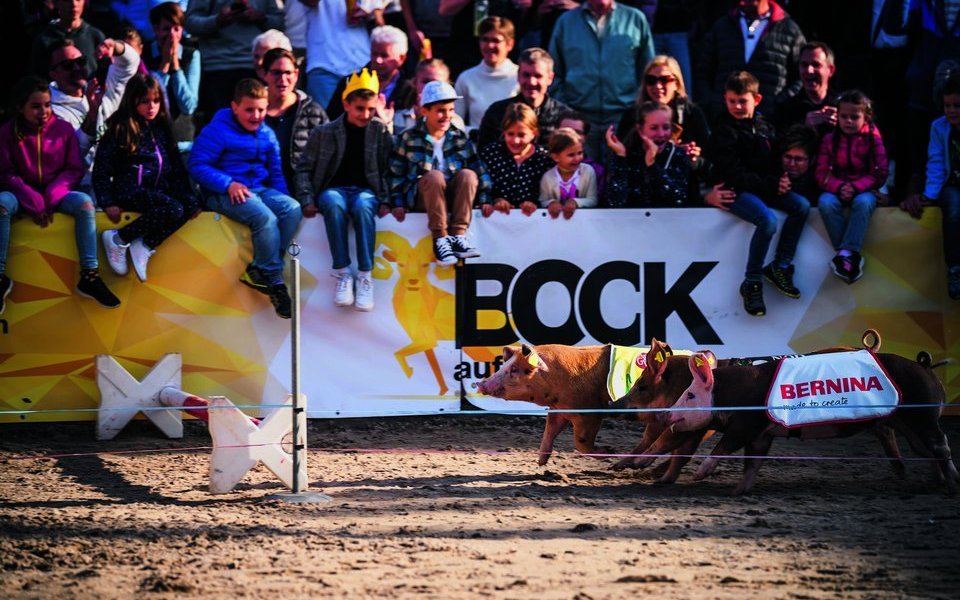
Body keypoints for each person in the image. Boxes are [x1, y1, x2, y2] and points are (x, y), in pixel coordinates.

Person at [0, 76, 120, 311]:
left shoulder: (63, 129)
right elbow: (5, 173)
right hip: (21, 195)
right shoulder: (6, 133)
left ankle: (90, 275)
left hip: (57, 195)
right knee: (1, 205)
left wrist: (51, 197)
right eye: (35, 106)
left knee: (85, 203)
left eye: (47, 105)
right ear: (20, 107)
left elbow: (74, 169)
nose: (43, 111)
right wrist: (33, 198)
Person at [188, 78, 301, 318]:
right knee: (265, 217)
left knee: (291, 209)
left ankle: (262, 269)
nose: (257, 115)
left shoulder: (268, 134)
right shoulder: (216, 130)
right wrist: (227, 183)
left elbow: (277, 174)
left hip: (257, 189)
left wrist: (283, 198)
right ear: (234, 107)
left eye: (261, 109)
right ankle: (274, 281)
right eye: (249, 109)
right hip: (220, 193)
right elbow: (197, 165)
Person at [706, 71, 810, 317]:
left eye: (743, 101)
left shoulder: (765, 126)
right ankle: (752, 282)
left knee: (802, 206)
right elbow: (733, 174)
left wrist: (782, 179)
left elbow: (774, 160)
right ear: (725, 99)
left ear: (757, 99)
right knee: (768, 220)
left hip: (764, 187)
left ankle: (781, 266)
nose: (737, 106)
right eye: (732, 101)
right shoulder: (723, 130)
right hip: (736, 192)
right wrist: (774, 184)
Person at [295, 68, 393, 311]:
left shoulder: (380, 131)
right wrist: (307, 198)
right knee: (334, 202)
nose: (366, 114)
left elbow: (392, 169)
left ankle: (364, 275)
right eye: (360, 108)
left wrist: (389, 200)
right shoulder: (323, 133)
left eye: (371, 109)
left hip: (366, 191)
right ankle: (342, 272)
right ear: (346, 104)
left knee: (361, 206)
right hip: (334, 189)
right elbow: (304, 168)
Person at [94, 73, 199, 283]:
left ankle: (145, 244)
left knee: (188, 204)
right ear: (133, 101)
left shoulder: (162, 129)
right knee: (174, 208)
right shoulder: (120, 128)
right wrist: (107, 201)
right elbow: (102, 168)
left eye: (156, 101)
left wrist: (188, 195)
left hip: (158, 192)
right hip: (130, 191)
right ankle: (119, 238)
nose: (152, 106)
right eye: (145, 102)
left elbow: (176, 167)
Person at [388, 80, 491, 265]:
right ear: (425, 111)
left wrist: (484, 200)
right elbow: (395, 173)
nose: (447, 116)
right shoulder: (408, 137)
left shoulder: (459, 138)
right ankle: (440, 239)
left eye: (451, 110)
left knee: (468, 175)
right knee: (435, 176)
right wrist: (397, 202)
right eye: (441, 111)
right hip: (423, 197)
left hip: (452, 198)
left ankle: (459, 236)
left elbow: (478, 170)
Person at [548, 0, 655, 159]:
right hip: (579, 118)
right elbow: (554, 71)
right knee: (582, 180)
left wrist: (635, 108)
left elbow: (647, 71)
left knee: (619, 178)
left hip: (623, 118)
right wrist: (567, 109)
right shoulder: (566, 22)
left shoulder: (635, 19)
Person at [815, 90, 889, 285]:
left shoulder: (874, 138)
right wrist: (840, 187)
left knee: (864, 203)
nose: (848, 121)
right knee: (825, 203)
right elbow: (821, 173)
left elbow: (880, 172)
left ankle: (845, 253)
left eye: (854, 117)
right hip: (836, 190)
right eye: (844, 116)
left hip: (863, 191)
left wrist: (856, 187)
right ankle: (847, 255)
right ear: (837, 116)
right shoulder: (829, 139)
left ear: (866, 117)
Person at [695, 0, 805, 122]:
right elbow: (702, 70)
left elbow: (800, 76)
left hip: (771, 123)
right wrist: (712, 102)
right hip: (722, 123)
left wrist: (780, 103)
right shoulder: (722, 26)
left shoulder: (789, 29)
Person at [904, 75, 960, 300]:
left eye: (957, 105)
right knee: (954, 205)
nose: (951, 110)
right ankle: (955, 269)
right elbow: (936, 161)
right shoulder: (939, 127)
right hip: (951, 186)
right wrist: (930, 194)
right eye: (947, 106)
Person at [185, 0, 285, 122]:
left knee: (258, 124)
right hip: (217, 67)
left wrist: (259, 17)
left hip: (257, 68)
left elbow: (280, 22)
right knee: (220, 127)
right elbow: (190, 23)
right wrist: (218, 20)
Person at [48, 38, 141, 166]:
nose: (76, 68)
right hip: (83, 183)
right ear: (53, 74)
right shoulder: (50, 110)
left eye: (80, 61)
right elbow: (73, 155)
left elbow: (131, 63)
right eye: (67, 65)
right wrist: (92, 113)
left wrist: (114, 45)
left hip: (115, 179)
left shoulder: (99, 88)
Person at [615, 55, 710, 167]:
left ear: (676, 84)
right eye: (651, 80)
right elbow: (621, 159)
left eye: (665, 80)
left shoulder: (692, 114)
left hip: (684, 182)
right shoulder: (632, 115)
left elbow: (709, 163)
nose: (658, 86)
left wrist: (693, 160)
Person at [262, 48, 329, 192]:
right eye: (276, 72)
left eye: (288, 73)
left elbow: (328, 159)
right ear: (264, 74)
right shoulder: (250, 112)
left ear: (297, 74)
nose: (283, 79)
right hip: (259, 190)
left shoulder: (314, 113)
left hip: (303, 194)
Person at [605, 102, 696, 207]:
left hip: (669, 220)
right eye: (654, 128)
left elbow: (678, 200)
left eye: (666, 127)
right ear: (640, 130)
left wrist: (652, 166)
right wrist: (620, 157)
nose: (661, 134)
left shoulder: (677, 155)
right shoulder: (627, 154)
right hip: (632, 220)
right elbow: (615, 202)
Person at [477, 48, 570, 149]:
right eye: (526, 75)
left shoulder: (564, 117)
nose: (531, 82)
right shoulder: (497, 113)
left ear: (550, 78)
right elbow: (483, 154)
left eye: (538, 76)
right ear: (518, 75)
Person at [325, 25, 416, 123]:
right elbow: (331, 120)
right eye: (374, 53)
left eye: (384, 55)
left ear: (401, 58)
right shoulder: (349, 83)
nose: (378, 60)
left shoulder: (410, 90)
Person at [479, 103, 555, 217]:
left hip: (533, 222)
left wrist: (534, 203)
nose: (516, 141)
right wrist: (495, 201)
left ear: (533, 133)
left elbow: (549, 194)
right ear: (504, 132)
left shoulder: (544, 158)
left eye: (522, 135)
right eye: (510, 134)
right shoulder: (491, 153)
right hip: (497, 221)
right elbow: (483, 185)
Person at [145, 1, 201, 146]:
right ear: (156, 29)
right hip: (150, 137)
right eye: (166, 29)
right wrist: (164, 64)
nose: (172, 35)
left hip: (182, 139)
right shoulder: (145, 54)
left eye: (176, 29)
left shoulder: (191, 55)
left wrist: (175, 66)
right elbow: (147, 95)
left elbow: (189, 106)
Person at [300, 0, 375, 109]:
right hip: (324, 65)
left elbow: (380, 14)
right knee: (323, 122)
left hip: (360, 63)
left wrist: (371, 10)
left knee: (361, 120)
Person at [454, 16, 519, 133]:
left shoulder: (520, 77)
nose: (489, 46)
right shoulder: (466, 78)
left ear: (510, 44)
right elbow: (455, 122)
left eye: (496, 40)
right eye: (485, 39)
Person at [773, 41, 839, 137]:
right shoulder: (786, 110)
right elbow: (780, 147)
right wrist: (804, 128)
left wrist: (842, 125)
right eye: (804, 65)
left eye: (816, 65)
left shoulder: (842, 107)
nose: (809, 70)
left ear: (831, 70)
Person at [31, 0, 106, 78]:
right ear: (56, 3)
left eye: (78, 0)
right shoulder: (44, 40)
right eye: (67, 0)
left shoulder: (96, 36)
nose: (74, 4)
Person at [393, 58, 466, 134]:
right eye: (426, 81)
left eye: (436, 83)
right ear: (415, 82)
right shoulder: (399, 117)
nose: (429, 87)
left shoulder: (455, 121)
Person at [538, 127, 598, 218]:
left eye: (580, 153)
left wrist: (575, 202)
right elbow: (542, 201)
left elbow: (593, 200)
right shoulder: (547, 177)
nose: (577, 158)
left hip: (583, 223)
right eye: (571, 155)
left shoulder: (588, 171)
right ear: (555, 157)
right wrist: (551, 203)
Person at [558, 111, 605, 200]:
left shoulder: (597, 171)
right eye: (565, 131)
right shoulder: (543, 166)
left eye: (577, 132)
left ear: (585, 137)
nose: (571, 136)